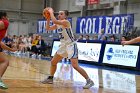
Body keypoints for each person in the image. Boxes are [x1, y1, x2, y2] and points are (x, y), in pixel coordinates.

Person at [41, 7, 94, 89]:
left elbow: (54, 20)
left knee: (75, 66)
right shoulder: (58, 24)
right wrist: (48, 19)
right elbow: (48, 28)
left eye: (61, 14)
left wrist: (51, 12)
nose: (59, 15)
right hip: (63, 46)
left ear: (65, 16)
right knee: (53, 62)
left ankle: (89, 80)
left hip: (71, 45)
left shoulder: (66, 22)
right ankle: (50, 78)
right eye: (58, 14)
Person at [0, 11, 17, 89]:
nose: (8, 17)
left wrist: (11, 49)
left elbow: (1, 44)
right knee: (5, 61)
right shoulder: (5, 22)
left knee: (5, 61)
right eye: (7, 15)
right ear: (3, 17)